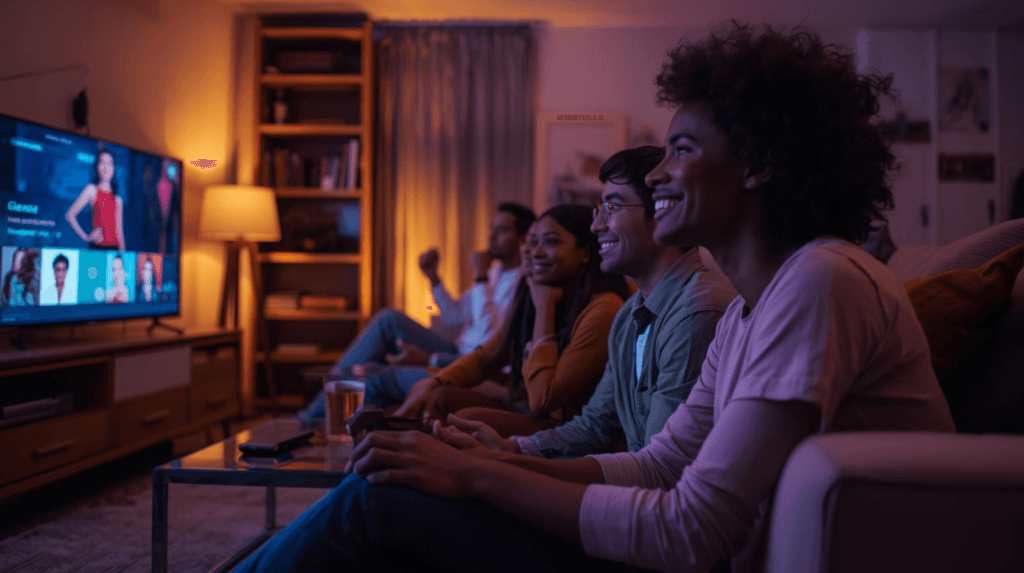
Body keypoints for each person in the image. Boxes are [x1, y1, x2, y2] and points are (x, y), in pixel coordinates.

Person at [228, 23, 956, 573]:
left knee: (379, 499)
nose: (659, 173)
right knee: (397, 483)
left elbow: (690, 528)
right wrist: (503, 463)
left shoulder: (817, 281)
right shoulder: (748, 311)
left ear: (761, 164)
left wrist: (482, 472)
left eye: (682, 150)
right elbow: (659, 464)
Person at [452, 145, 737, 458]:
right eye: (597, 211)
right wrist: (511, 448)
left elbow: (660, 469)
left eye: (612, 208)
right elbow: (595, 426)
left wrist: (503, 465)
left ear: (661, 214)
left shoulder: (697, 311)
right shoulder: (630, 314)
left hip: (653, 496)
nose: (596, 226)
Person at [387, 204, 632, 437]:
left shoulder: (602, 308)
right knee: (436, 393)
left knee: (463, 415)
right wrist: (435, 380)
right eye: (534, 242)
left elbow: (542, 400)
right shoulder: (533, 287)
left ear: (585, 252)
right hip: (526, 400)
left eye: (551, 242)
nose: (534, 252)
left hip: (571, 428)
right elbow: (488, 354)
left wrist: (544, 307)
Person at [296, 202, 535, 423]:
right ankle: (320, 408)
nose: (491, 236)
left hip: (474, 363)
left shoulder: (524, 283)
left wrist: (480, 278)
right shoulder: (494, 273)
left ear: (523, 239)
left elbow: (490, 339)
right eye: (492, 228)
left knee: (379, 372)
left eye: (502, 231)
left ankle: (311, 419)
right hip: (456, 350)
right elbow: (454, 316)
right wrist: (433, 277)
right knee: (388, 320)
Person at [65, 149, 126, 251]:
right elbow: (70, 215)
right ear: (97, 167)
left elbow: (119, 233)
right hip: (97, 248)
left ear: (114, 168)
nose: (106, 167)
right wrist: (86, 237)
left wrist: (125, 255)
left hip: (114, 251)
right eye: (102, 163)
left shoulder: (118, 199)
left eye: (110, 163)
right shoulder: (91, 190)